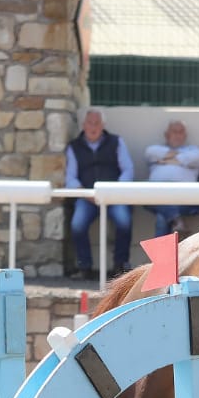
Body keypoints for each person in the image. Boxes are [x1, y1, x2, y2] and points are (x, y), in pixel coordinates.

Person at [65, 109, 134, 279]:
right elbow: (70, 178)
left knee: (124, 222)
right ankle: (84, 267)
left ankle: (120, 266)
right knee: (77, 225)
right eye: (90, 123)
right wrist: (86, 193)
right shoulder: (74, 147)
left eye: (97, 123)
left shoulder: (116, 142)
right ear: (83, 125)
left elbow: (128, 170)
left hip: (114, 196)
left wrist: (114, 191)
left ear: (103, 126)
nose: (93, 127)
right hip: (87, 197)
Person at [144, 119, 199, 240]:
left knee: (162, 218)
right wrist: (182, 160)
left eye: (181, 132)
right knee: (155, 202)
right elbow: (149, 153)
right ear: (167, 135)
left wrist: (165, 160)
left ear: (185, 135)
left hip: (184, 197)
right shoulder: (154, 149)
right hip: (156, 196)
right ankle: (177, 220)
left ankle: (159, 259)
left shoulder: (193, 151)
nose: (177, 135)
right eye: (174, 132)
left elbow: (196, 158)